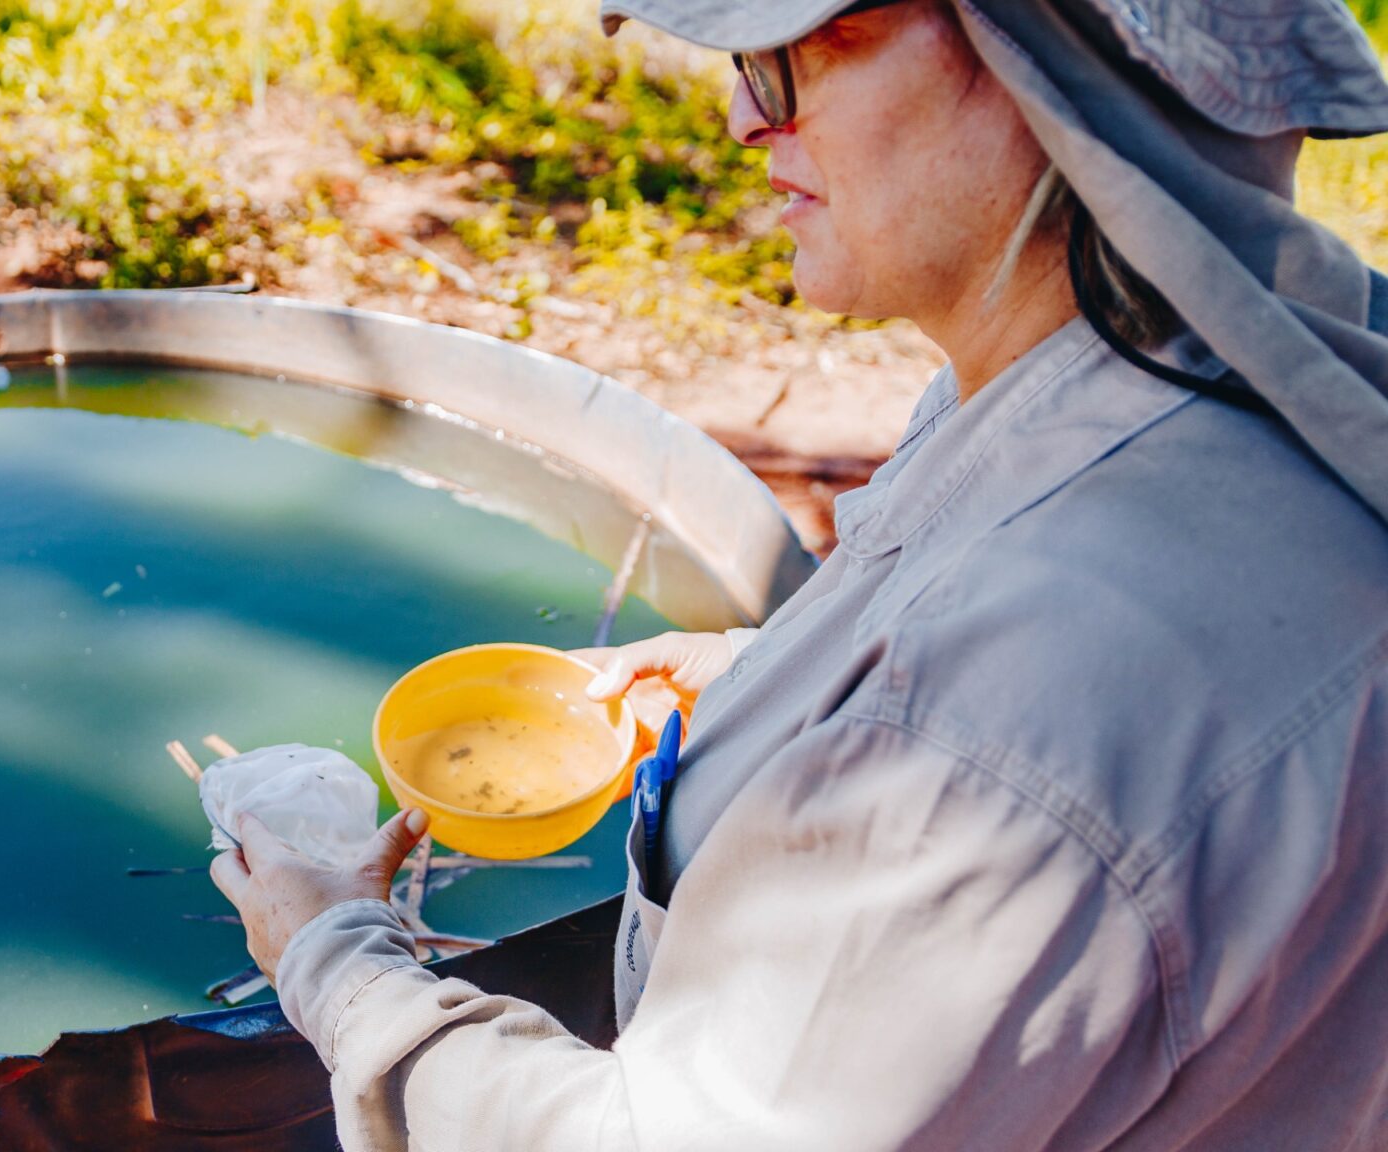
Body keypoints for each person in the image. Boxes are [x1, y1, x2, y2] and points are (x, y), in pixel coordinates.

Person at [210, 0, 1388, 1146]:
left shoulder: (1003, 718)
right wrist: (774, 685)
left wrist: (335, 956)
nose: (739, 116)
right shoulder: (1217, 373)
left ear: (1049, 70)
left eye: (792, 53)